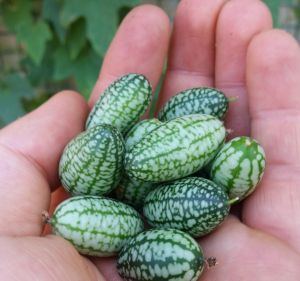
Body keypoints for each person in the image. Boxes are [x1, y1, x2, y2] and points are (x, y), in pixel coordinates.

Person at [0, 0, 300, 280]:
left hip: (143, 196)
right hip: (123, 201)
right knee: (118, 142)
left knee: (125, 145)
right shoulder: (112, 166)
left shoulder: (122, 168)